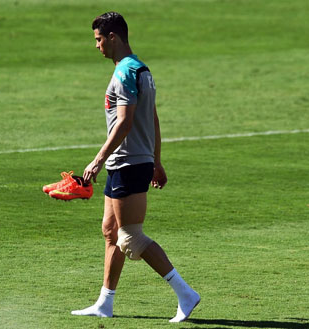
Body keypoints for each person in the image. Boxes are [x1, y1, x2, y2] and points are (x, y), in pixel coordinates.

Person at [71, 12, 200, 323]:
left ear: (113, 37)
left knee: (129, 237)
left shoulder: (126, 72)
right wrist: (157, 160)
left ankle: (185, 293)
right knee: (110, 231)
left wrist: (97, 159)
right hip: (133, 160)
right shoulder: (140, 69)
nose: (97, 45)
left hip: (127, 161)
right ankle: (105, 302)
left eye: (99, 39)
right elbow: (152, 118)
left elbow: (126, 122)